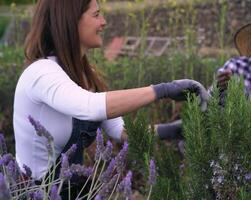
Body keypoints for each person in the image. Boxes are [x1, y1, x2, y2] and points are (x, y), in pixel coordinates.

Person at [12, 0, 208, 198]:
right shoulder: (42, 73)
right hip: (35, 193)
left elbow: (120, 131)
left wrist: (174, 129)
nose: (104, 22)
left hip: (71, 189)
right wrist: (165, 89)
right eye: (96, 15)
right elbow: (91, 107)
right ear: (70, 22)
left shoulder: (85, 75)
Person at [155, 20, 251, 139]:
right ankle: (145, 133)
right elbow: (209, 104)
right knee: (185, 126)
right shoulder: (235, 65)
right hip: (224, 127)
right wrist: (218, 86)